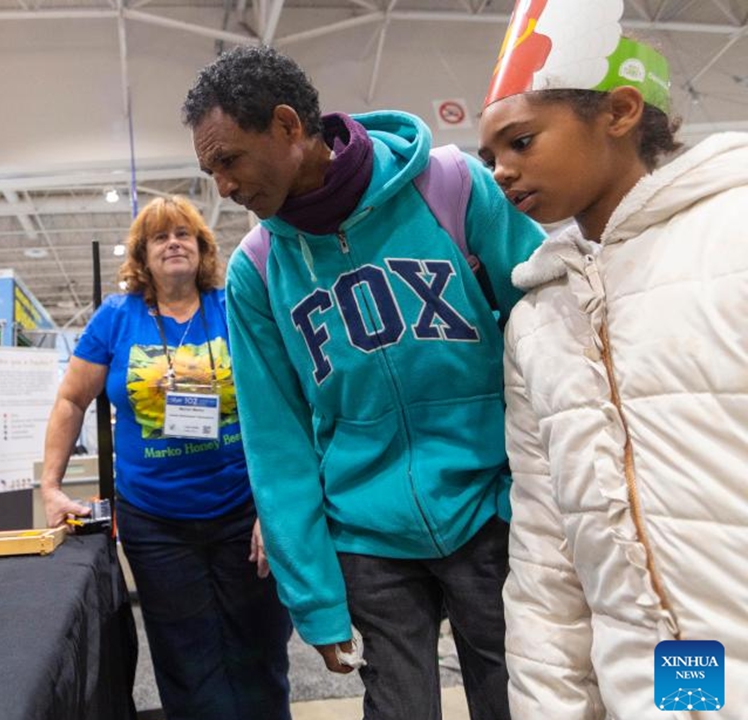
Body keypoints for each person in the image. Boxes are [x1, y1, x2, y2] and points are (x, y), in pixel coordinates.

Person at [182, 45, 545, 720]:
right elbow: (276, 441)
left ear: (289, 127)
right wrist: (314, 597)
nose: (223, 188)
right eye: (211, 171)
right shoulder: (256, 271)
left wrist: (537, 493)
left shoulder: (451, 186)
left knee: (520, 702)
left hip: (492, 512)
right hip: (366, 536)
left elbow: (543, 329)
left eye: (229, 161)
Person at [476, 1, 748, 716]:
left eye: (522, 141)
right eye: (489, 157)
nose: (501, 171)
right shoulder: (536, 320)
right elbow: (545, 549)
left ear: (620, 112)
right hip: (651, 686)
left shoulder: (734, 238)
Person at [39, 196, 292, 720]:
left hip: (244, 512)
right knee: (185, 657)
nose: (173, 242)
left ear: (202, 250)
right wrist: (50, 486)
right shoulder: (117, 317)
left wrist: (277, 505)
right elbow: (70, 400)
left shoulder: (233, 305)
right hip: (156, 523)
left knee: (261, 648)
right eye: (160, 237)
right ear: (142, 256)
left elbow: (280, 400)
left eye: (184, 234)